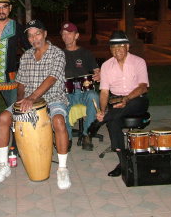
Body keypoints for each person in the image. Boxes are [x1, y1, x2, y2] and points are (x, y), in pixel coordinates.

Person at [0, 19, 71, 189]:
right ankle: (4, 164)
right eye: (30, 36)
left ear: (45, 34)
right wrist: (19, 105)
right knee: (4, 117)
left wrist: (32, 98)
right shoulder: (26, 56)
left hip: (53, 98)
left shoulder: (57, 53)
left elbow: (52, 78)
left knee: (58, 121)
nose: (34, 39)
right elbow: (21, 85)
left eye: (37, 34)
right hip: (28, 100)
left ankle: (63, 169)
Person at [94, 31, 149, 177]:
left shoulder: (138, 62)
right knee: (113, 122)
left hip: (136, 100)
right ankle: (123, 162)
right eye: (113, 47)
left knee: (127, 106)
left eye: (120, 46)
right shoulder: (106, 66)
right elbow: (105, 92)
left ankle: (102, 120)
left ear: (127, 46)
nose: (116, 50)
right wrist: (102, 110)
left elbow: (143, 86)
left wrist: (127, 99)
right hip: (116, 101)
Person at [61, 22, 100, 151]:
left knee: (93, 96)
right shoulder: (58, 54)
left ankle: (86, 135)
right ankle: (67, 137)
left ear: (76, 35)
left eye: (69, 33)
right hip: (67, 92)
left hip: (84, 91)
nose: (66, 36)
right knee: (60, 101)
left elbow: (96, 70)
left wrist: (98, 75)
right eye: (64, 33)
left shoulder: (86, 53)